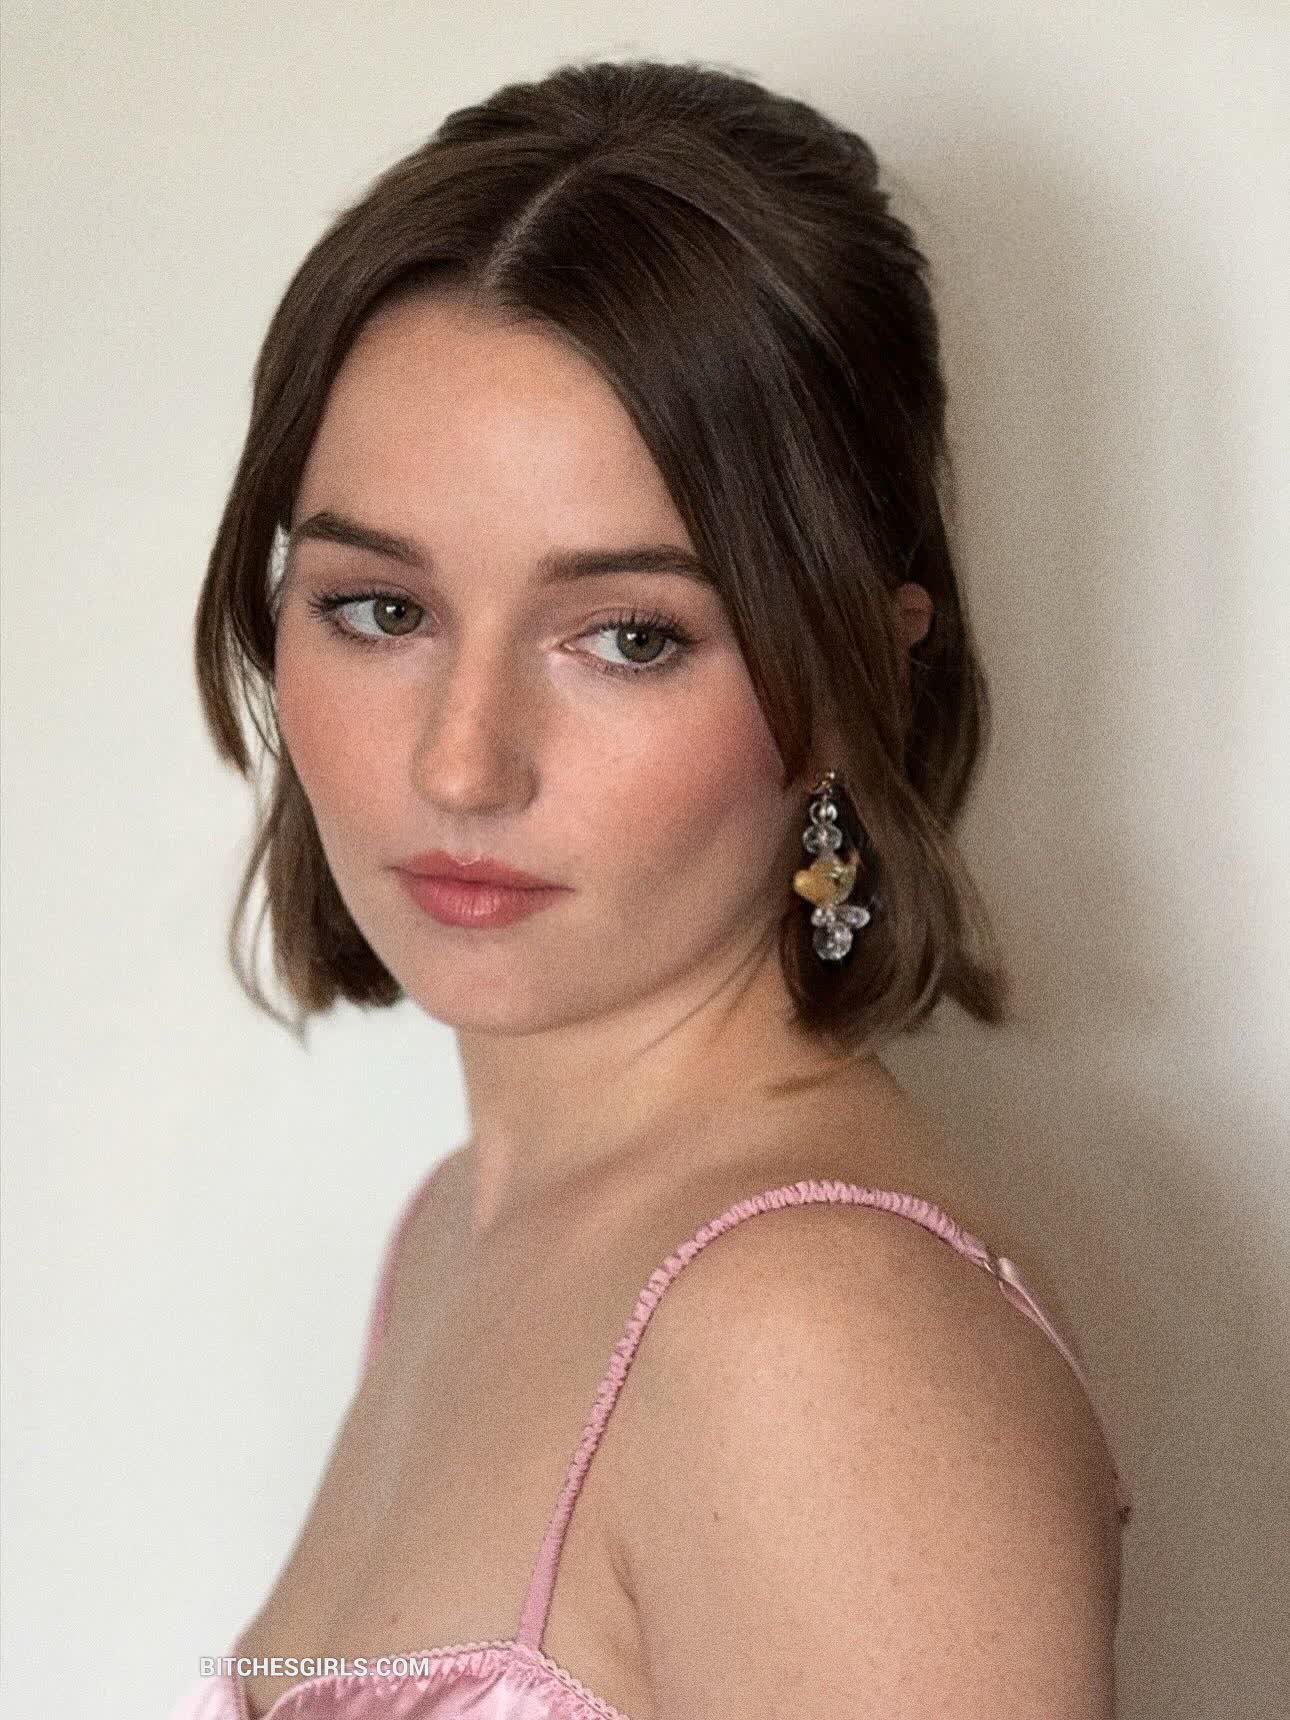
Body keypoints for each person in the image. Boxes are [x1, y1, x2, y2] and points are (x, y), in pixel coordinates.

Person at [173, 55, 1132, 1720]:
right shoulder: (456, 1233)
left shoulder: (815, 1341)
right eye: (381, 611)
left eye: (627, 636)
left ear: (846, 678)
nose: (462, 763)